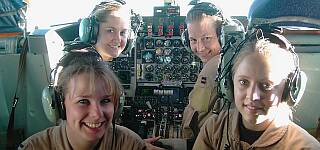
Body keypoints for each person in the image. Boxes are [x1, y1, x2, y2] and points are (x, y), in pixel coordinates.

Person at [193, 29, 320, 149]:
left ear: (288, 90)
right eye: (243, 82)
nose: (253, 96)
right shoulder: (214, 129)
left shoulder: (306, 147)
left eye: (266, 85)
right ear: (229, 84)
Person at [19, 49, 147, 150]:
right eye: (83, 101)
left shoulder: (130, 144)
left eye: (105, 101)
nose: (97, 114)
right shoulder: (34, 147)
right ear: (60, 105)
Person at [181, 2, 228, 139]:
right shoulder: (228, 59)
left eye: (206, 38)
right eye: (193, 40)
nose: (200, 48)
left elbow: (192, 124)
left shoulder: (215, 65)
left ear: (222, 37)